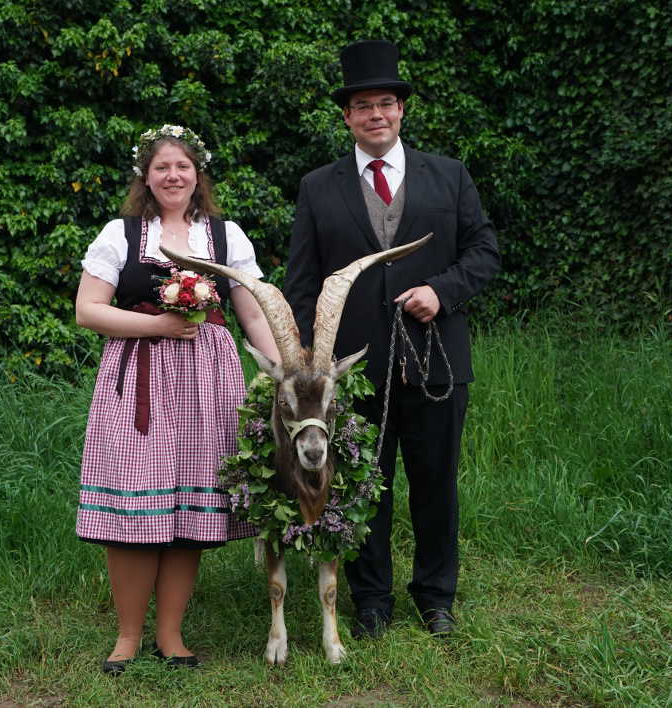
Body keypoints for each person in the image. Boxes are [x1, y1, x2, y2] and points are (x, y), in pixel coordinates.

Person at [284, 40, 500, 639]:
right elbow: (302, 282)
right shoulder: (317, 187)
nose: (375, 114)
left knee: (435, 485)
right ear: (348, 117)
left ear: (402, 110)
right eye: (362, 105)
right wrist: (313, 361)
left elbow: (485, 253)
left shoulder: (449, 176)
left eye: (386, 102)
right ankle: (371, 601)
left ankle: (436, 598)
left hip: (435, 367)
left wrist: (443, 289)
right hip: (353, 373)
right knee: (360, 488)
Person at [75, 124, 279, 674]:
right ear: (147, 175)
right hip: (138, 378)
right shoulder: (120, 234)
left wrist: (285, 368)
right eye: (162, 166)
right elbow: (89, 310)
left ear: (197, 174)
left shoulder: (225, 235)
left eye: (182, 166)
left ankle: (171, 636)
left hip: (208, 384)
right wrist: (160, 325)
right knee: (133, 503)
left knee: (190, 508)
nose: (173, 175)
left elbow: (252, 310)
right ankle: (126, 637)